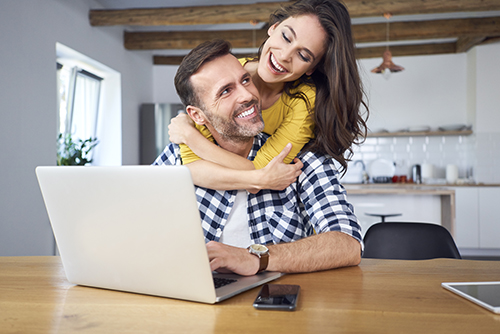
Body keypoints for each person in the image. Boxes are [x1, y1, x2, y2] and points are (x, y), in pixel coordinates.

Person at [153, 39, 362, 276]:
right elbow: (135, 226)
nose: (248, 95)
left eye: (245, 80)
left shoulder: (302, 161)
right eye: (226, 91)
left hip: (277, 305)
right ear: (197, 116)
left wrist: (255, 258)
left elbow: (348, 245)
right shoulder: (174, 159)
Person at [168, 0, 368, 193]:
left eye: (303, 56)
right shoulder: (227, 70)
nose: (284, 56)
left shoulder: (304, 102)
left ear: (311, 68)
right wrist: (260, 179)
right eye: (286, 37)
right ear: (273, 27)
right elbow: (191, 167)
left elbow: (261, 168)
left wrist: (191, 137)